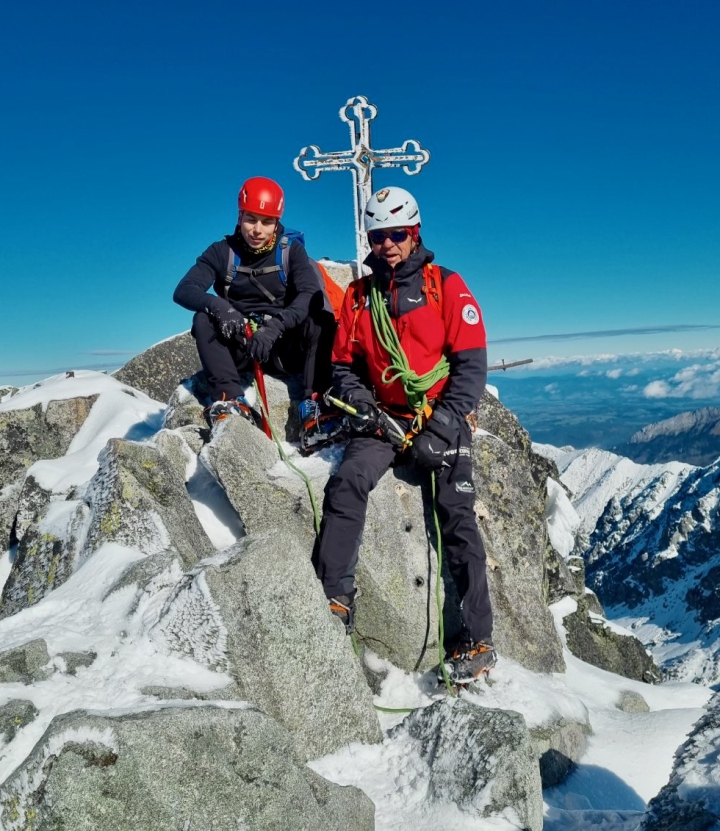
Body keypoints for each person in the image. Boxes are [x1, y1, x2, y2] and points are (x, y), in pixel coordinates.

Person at [313, 186, 495, 684]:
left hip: (438, 413)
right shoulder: (359, 295)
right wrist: (365, 405)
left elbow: (470, 365)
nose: (387, 244)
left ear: (414, 234)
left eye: (396, 234)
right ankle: (334, 599)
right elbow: (343, 365)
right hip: (384, 417)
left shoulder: (445, 286)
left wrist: (441, 427)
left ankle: (479, 637)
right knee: (348, 481)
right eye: (379, 236)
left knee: (457, 515)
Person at [173, 176, 334, 428]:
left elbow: (308, 295)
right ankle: (229, 398)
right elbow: (184, 290)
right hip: (242, 345)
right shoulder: (221, 252)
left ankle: (313, 400)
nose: (257, 230)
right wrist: (220, 307)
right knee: (203, 318)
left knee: (319, 318)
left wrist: (275, 327)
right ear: (240, 217)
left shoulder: (291, 252)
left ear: (276, 223)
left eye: (267, 222)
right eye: (251, 219)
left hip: (284, 347)